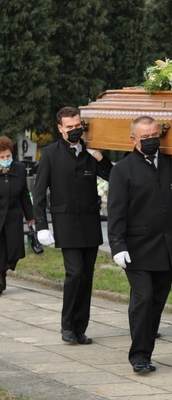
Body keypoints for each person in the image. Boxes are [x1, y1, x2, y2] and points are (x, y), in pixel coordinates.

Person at [107, 116, 172, 374]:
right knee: (143, 300)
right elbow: (116, 212)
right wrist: (117, 245)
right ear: (134, 140)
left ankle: (146, 353)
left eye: (154, 136)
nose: (151, 141)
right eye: (145, 137)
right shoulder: (122, 170)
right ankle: (138, 355)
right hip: (136, 250)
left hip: (166, 249)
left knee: (157, 303)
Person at [33, 107, 113, 344]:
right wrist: (41, 226)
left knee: (87, 277)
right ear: (60, 129)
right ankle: (67, 326)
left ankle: (80, 328)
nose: (75, 129)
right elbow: (39, 193)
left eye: (78, 125)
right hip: (65, 222)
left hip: (89, 223)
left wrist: (98, 154)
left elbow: (112, 176)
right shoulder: (50, 153)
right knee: (74, 273)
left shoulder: (90, 151)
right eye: (70, 127)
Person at [0, 136, 34, 295]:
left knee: (14, 250)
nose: (5, 159)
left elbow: (24, 195)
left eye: (7, 156)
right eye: (1, 157)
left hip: (13, 216)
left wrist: (30, 216)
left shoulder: (19, 169)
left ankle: (3, 270)